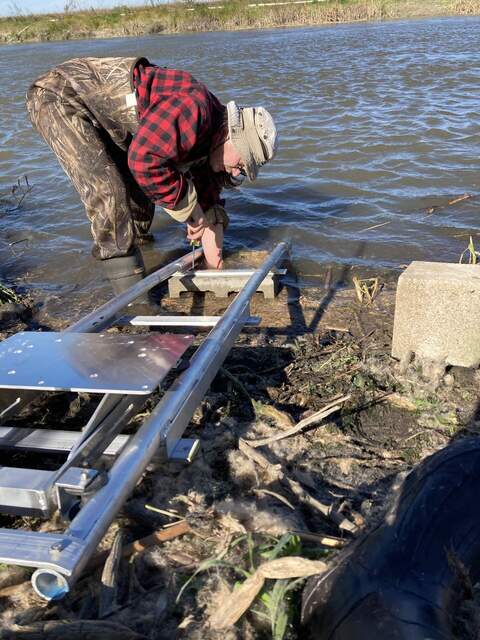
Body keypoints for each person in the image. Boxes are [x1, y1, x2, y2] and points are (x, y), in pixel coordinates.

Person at [26, 56, 278, 296]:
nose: (236, 171)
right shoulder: (195, 109)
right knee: (109, 190)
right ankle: (133, 301)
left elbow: (208, 207)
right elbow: (144, 160)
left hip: (105, 119)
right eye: (241, 163)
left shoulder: (209, 147)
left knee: (140, 201)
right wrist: (188, 209)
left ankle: (136, 263)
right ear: (231, 136)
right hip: (60, 97)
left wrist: (216, 267)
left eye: (242, 171)